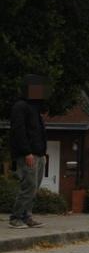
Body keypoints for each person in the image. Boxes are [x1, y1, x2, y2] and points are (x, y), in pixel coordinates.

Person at [8, 75, 50, 229]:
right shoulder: (20, 106)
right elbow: (19, 131)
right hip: (28, 154)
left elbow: (39, 132)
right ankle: (16, 217)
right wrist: (26, 152)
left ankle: (27, 215)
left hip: (38, 153)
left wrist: (43, 152)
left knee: (34, 187)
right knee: (28, 186)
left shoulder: (35, 108)